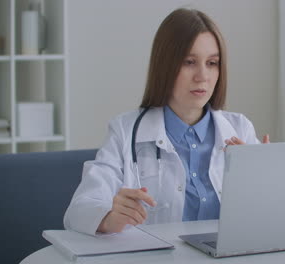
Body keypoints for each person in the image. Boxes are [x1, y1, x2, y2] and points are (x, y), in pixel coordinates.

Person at [64, 8, 269, 235]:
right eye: (189, 62)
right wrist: (110, 218)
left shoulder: (240, 129)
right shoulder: (125, 131)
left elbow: (269, 216)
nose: (203, 76)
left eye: (212, 63)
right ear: (166, 66)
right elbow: (79, 211)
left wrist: (264, 180)